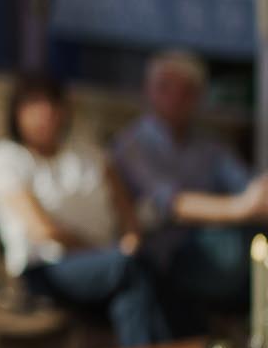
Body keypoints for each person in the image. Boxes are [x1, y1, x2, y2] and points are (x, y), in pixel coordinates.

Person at [0, 76, 168, 348]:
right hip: (43, 271)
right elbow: (41, 230)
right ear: (17, 113)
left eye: (51, 103)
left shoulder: (89, 154)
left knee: (137, 296)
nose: (45, 114)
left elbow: (126, 211)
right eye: (33, 105)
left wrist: (128, 241)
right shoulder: (6, 159)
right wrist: (109, 251)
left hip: (108, 272)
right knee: (137, 279)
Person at [112, 49, 265, 331]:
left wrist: (255, 197)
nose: (175, 98)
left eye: (186, 91)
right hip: (167, 258)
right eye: (165, 88)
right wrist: (241, 207)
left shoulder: (210, 146)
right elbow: (173, 203)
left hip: (221, 246)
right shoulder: (132, 144)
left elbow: (247, 184)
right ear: (149, 91)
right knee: (234, 251)